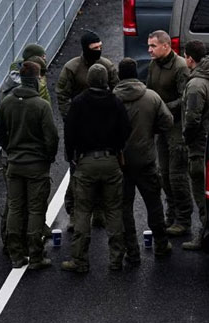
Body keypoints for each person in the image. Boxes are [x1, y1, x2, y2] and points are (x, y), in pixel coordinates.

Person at [61, 64, 130, 272]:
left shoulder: (79, 103)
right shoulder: (116, 102)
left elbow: (69, 132)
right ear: (107, 80)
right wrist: (117, 148)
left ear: (89, 80)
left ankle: (80, 260)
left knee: (82, 211)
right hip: (110, 161)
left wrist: (72, 156)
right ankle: (116, 259)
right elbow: (125, 129)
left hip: (86, 162)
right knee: (113, 211)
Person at [0, 61, 59, 269]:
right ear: (37, 79)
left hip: (14, 163)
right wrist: (47, 157)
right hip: (36, 165)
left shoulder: (8, 102)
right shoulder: (41, 106)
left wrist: (11, 149)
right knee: (35, 209)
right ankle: (35, 255)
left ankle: (16, 255)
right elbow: (52, 137)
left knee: (15, 207)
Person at [113, 58, 174, 266]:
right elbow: (167, 121)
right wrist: (150, 132)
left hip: (119, 162)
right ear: (136, 74)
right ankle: (161, 243)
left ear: (120, 76)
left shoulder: (112, 99)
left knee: (123, 208)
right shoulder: (151, 97)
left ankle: (132, 251)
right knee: (153, 203)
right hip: (146, 159)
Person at [56, 31, 119, 231]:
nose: (98, 51)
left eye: (100, 47)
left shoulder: (107, 66)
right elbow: (62, 95)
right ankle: (74, 213)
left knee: (101, 172)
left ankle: (99, 212)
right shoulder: (72, 68)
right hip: (79, 127)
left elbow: (117, 91)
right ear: (85, 49)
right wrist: (71, 118)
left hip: (101, 129)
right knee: (77, 172)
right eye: (94, 48)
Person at [146, 30, 193, 237]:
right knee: (163, 174)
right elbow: (149, 89)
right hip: (161, 127)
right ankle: (171, 214)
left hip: (176, 127)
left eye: (153, 46)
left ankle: (183, 219)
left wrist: (161, 108)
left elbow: (185, 98)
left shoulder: (180, 67)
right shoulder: (153, 65)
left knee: (177, 176)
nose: (149, 50)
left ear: (166, 46)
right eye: (149, 46)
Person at [181, 40, 209, 250]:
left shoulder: (196, 85)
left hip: (198, 147)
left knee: (201, 197)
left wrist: (186, 139)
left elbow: (192, 120)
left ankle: (204, 237)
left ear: (190, 58)